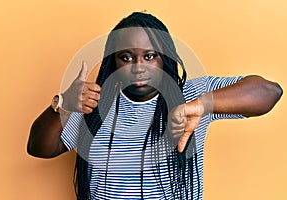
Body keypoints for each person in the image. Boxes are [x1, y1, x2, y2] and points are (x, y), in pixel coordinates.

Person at [27, 12, 283, 200]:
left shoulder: (190, 96)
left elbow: (269, 92)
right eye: (126, 57)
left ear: (165, 58)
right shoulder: (94, 105)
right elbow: (40, 148)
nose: (139, 67)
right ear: (112, 62)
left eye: (150, 56)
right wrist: (61, 106)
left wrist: (204, 105)